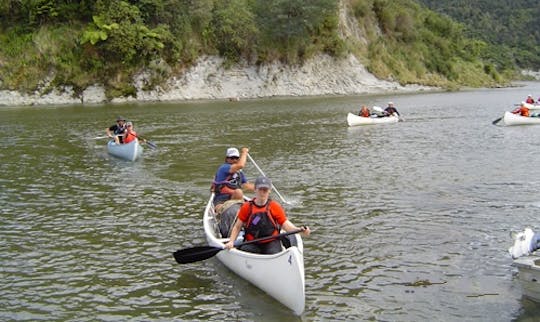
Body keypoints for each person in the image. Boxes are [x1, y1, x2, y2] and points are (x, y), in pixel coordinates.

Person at [224, 176, 310, 254]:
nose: (262, 192)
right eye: (260, 189)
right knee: (246, 250)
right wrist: (231, 241)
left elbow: (285, 224)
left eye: (265, 190)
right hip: (252, 242)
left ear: (269, 191)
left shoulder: (274, 206)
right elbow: (237, 227)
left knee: (274, 252)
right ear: (255, 189)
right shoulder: (246, 207)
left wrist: (299, 230)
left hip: (271, 242)